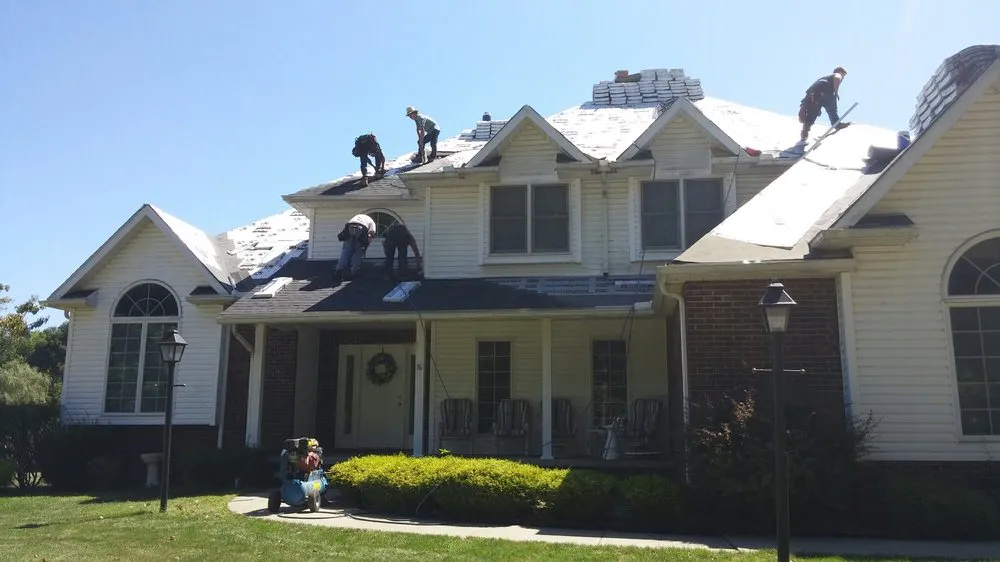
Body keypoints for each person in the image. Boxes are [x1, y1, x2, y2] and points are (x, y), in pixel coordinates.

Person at [798, 66, 851, 141]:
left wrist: (802, 108)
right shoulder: (837, 74)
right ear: (840, 71)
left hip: (814, 95)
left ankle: (804, 133)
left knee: (812, 113)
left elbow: (808, 95)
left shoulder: (823, 78)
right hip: (824, 91)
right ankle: (837, 124)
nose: (843, 78)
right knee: (832, 108)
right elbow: (837, 78)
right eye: (843, 75)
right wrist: (836, 92)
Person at [333, 213, 376, 285]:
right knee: (358, 251)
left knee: (346, 250)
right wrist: (365, 245)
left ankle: (339, 270)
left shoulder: (359, 216)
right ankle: (353, 272)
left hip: (349, 227)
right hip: (360, 228)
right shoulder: (372, 222)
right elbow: (370, 234)